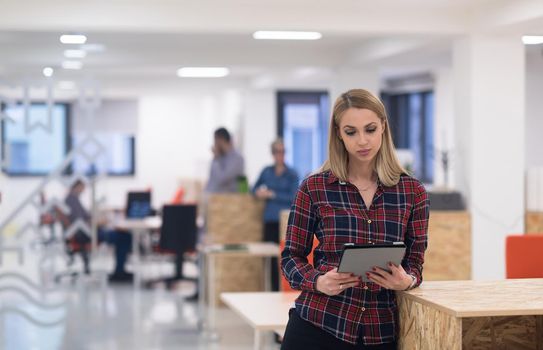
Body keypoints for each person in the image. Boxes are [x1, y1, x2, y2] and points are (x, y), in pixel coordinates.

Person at [281, 89, 429, 349]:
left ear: (383, 127)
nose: (362, 141)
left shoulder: (412, 192)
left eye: (370, 129)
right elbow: (290, 257)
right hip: (318, 326)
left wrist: (407, 281)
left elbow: (415, 262)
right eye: (351, 132)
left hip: (379, 332)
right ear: (339, 133)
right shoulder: (315, 187)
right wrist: (318, 281)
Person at [64, 180, 133, 282]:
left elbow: (85, 218)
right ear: (77, 186)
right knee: (124, 236)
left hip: (87, 231)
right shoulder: (72, 200)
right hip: (86, 234)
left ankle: (120, 271)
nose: (84, 189)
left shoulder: (73, 199)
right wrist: (99, 223)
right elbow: (81, 222)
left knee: (122, 235)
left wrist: (98, 221)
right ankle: (119, 273)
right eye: (82, 187)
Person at [253, 138, 299, 291]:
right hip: (269, 220)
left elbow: (293, 197)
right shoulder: (266, 171)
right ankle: (271, 290)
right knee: (270, 258)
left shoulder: (292, 174)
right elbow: (253, 189)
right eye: (277, 152)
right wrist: (259, 193)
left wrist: (273, 194)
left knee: (285, 257)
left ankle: (286, 289)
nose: (280, 155)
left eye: (283, 152)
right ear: (272, 153)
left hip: (285, 222)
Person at [205, 127, 245, 193]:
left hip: (225, 199)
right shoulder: (220, 156)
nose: (214, 144)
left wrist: (216, 157)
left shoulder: (237, 158)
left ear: (221, 140)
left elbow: (222, 178)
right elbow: (212, 179)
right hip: (212, 197)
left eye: (215, 141)